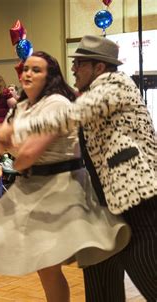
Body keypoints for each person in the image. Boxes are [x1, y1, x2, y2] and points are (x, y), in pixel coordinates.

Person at [0, 51, 131, 302]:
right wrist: (6, 143)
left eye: (36, 70)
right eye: (26, 69)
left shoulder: (56, 103)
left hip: (59, 189)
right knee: (46, 267)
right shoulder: (22, 106)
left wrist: (9, 142)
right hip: (32, 186)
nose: (28, 74)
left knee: (58, 262)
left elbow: (26, 155)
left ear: (50, 77)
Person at [9, 36, 157, 301]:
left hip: (135, 192)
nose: (74, 69)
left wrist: (14, 129)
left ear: (98, 68)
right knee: (100, 264)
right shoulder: (95, 90)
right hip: (107, 197)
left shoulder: (113, 84)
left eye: (79, 63)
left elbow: (68, 116)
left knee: (142, 260)